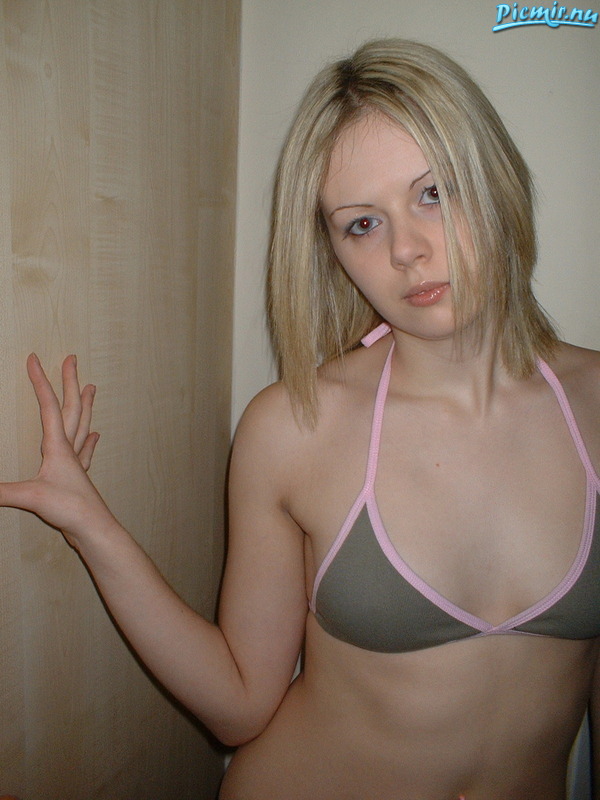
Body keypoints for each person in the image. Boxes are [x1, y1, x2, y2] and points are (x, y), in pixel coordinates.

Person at [2, 38, 599, 800]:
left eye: (435, 192)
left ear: (496, 181)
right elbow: (239, 704)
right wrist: (90, 524)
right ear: (332, 251)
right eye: (362, 224)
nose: (408, 250)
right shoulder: (293, 427)